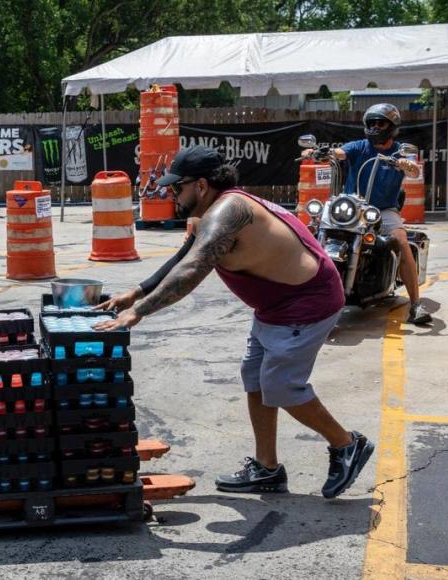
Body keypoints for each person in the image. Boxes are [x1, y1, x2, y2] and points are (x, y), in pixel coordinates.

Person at [95, 146, 374, 499]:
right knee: (256, 378)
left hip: (307, 303)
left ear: (200, 185)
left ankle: (346, 444)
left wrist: (140, 312)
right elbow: (185, 257)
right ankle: (267, 468)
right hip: (275, 305)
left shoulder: (228, 212)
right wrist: (135, 293)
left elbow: (195, 270)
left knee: (282, 385)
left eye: (176, 187)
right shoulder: (211, 211)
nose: (171, 194)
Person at [328, 103, 431, 325]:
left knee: (401, 241)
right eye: (371, 123)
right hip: (353, 208)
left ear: (392, 126)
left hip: (383, 210)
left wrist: (405, 164)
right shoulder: (359, 146)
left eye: (381, 123)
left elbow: (413, 170)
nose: (375, 127)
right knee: (314, 232)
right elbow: (340, 153)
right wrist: (323, 152)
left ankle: (415, 305)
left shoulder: (400, 150)